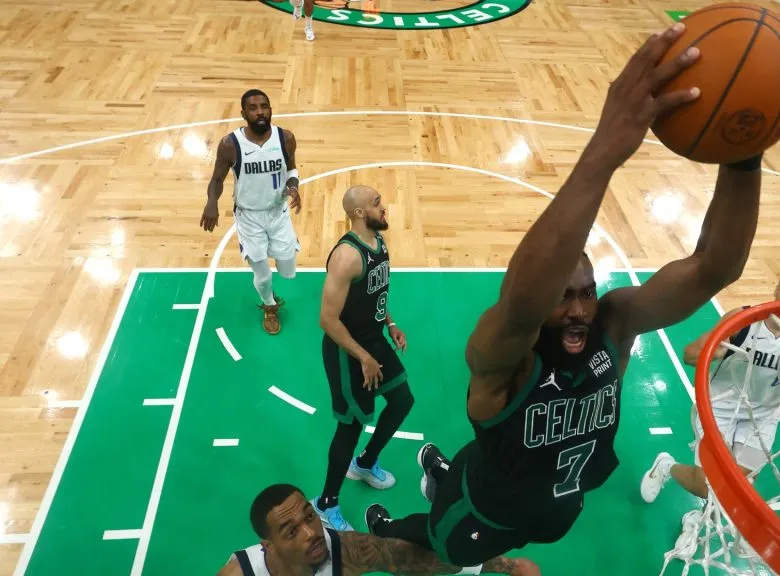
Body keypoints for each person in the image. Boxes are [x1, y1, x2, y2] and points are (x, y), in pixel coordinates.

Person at [364, 22, 766, 567]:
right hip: (482, 513)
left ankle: (439, 470)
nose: (578, 310)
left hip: (560, 508)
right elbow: (523, 302)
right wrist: (604, 150)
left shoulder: (613, 325)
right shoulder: (503, 357)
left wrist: (744, 152)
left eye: (587, 292)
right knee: (438, 542)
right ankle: (404, 513)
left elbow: (714, 267)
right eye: (564, 296)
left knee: (484, 476)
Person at [639, 265, 780, 556]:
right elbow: (689, 354)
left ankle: (694, 520)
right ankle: (666, 466)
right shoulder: (742, 320)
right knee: (708, 485)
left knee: (736, 487)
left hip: (763, 419)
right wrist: (710, 351)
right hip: (719, 408)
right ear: (776, 288)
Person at [314, 185, 414, 532]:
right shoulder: (346, 256)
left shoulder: (378, 242)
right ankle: (326, 502)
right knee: (350, 425)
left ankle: (366, 462)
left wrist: (391, 323)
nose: (383, 207)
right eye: (377, 203)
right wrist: (363, 358)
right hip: (347, 350)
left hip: (373, 339)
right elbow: (327, 320)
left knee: (402, 400)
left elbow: (375, 294)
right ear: (358, 213)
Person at [217, 483, 540, 576]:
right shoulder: (238, 574)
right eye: (291, 531)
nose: (311, 533)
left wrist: (508, 566)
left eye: (310, 517)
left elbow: (419, 560)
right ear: (267, 545)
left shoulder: (347, 551)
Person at [202, 89, 302, 335]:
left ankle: (274, 277)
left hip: (278, 213)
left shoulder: (285, 138)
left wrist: (293, 186)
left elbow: (291, 169)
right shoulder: (230, 144)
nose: (260, 112)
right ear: (243, 113)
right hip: (249, 217)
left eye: (264, 107)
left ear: (270, 109)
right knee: (263, 274)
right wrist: (211, 202)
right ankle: (269, 306)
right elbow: (217, 179)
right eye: (253, 108)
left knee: (288, 271)